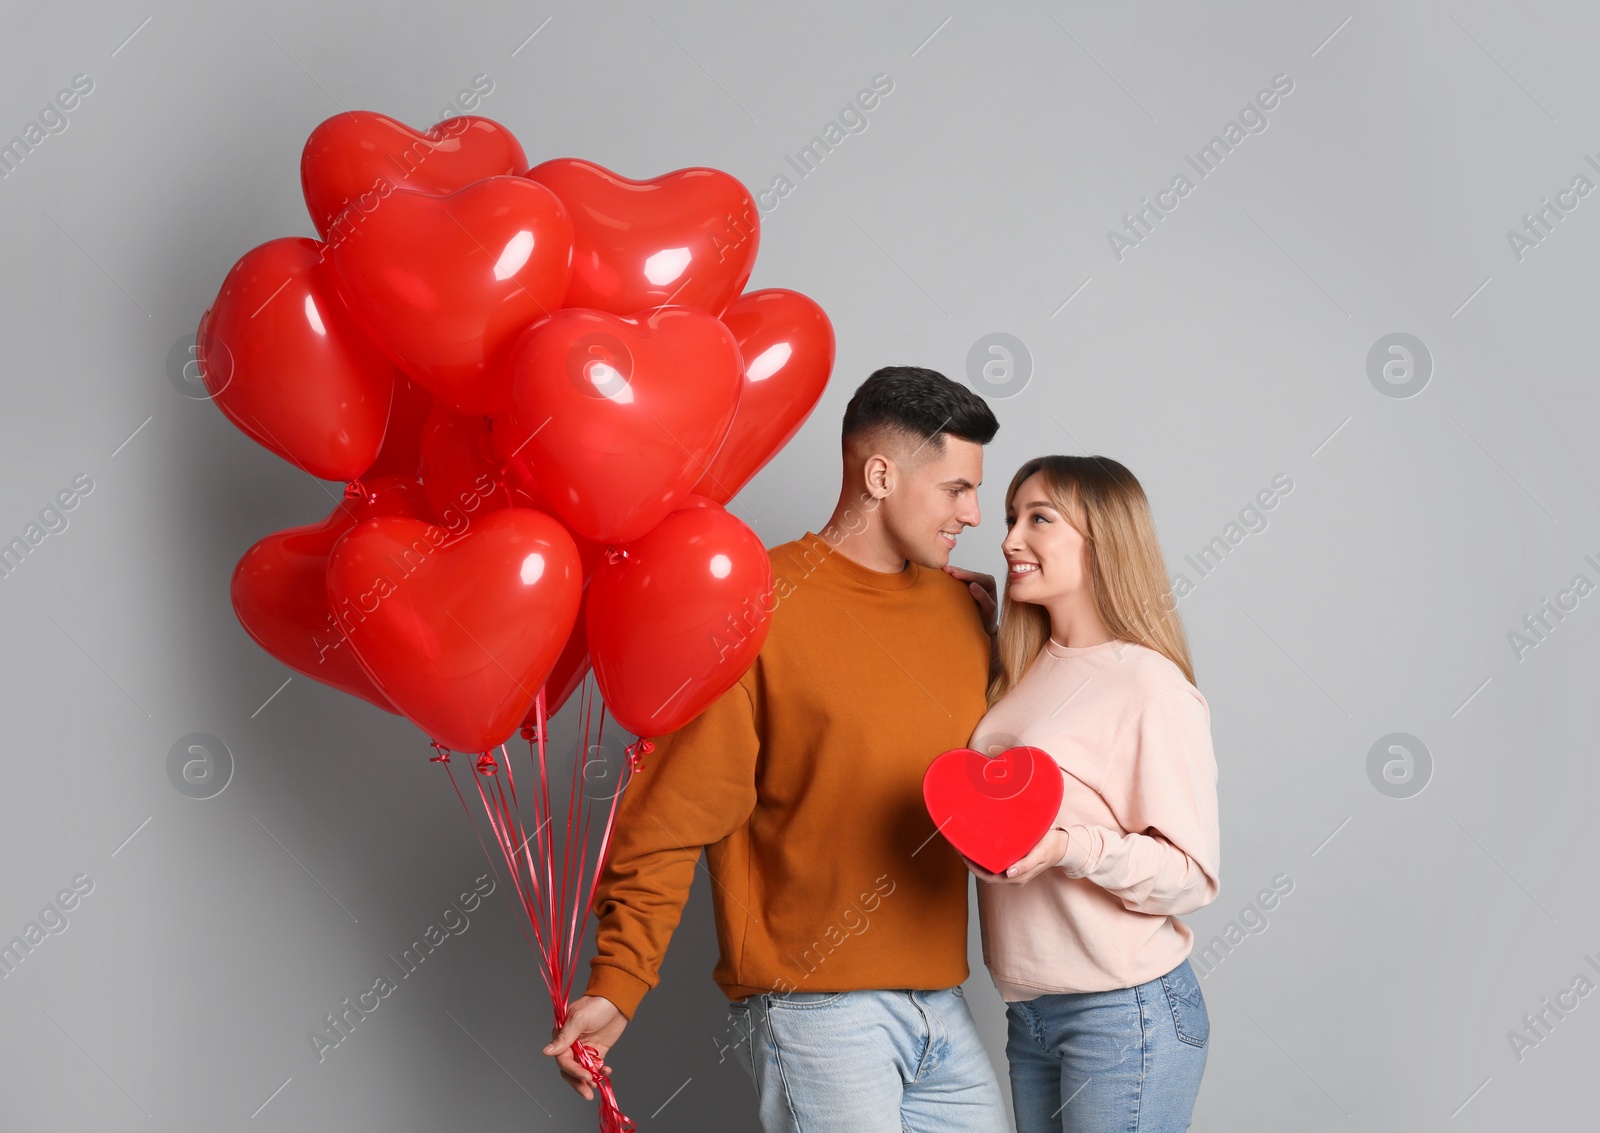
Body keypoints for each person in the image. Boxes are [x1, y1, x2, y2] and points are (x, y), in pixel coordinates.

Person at [541, 365, 1011, 1132]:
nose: (976, 512)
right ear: (881, 473)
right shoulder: (759, 608)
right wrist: (617, 980)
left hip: (943, 1006)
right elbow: (670, 815)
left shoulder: (965, 613)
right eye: (957, 488)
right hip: (820, 1017)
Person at [964, 454, 1221, 1133]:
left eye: (1039, 519)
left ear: (1102, 540)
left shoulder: (1147, 684)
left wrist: (1066, 849)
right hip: (1033, 1013)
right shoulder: (1020, 670)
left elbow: (1190, 876)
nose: (1010, 538)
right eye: (1013, 517)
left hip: (1124, 1012)